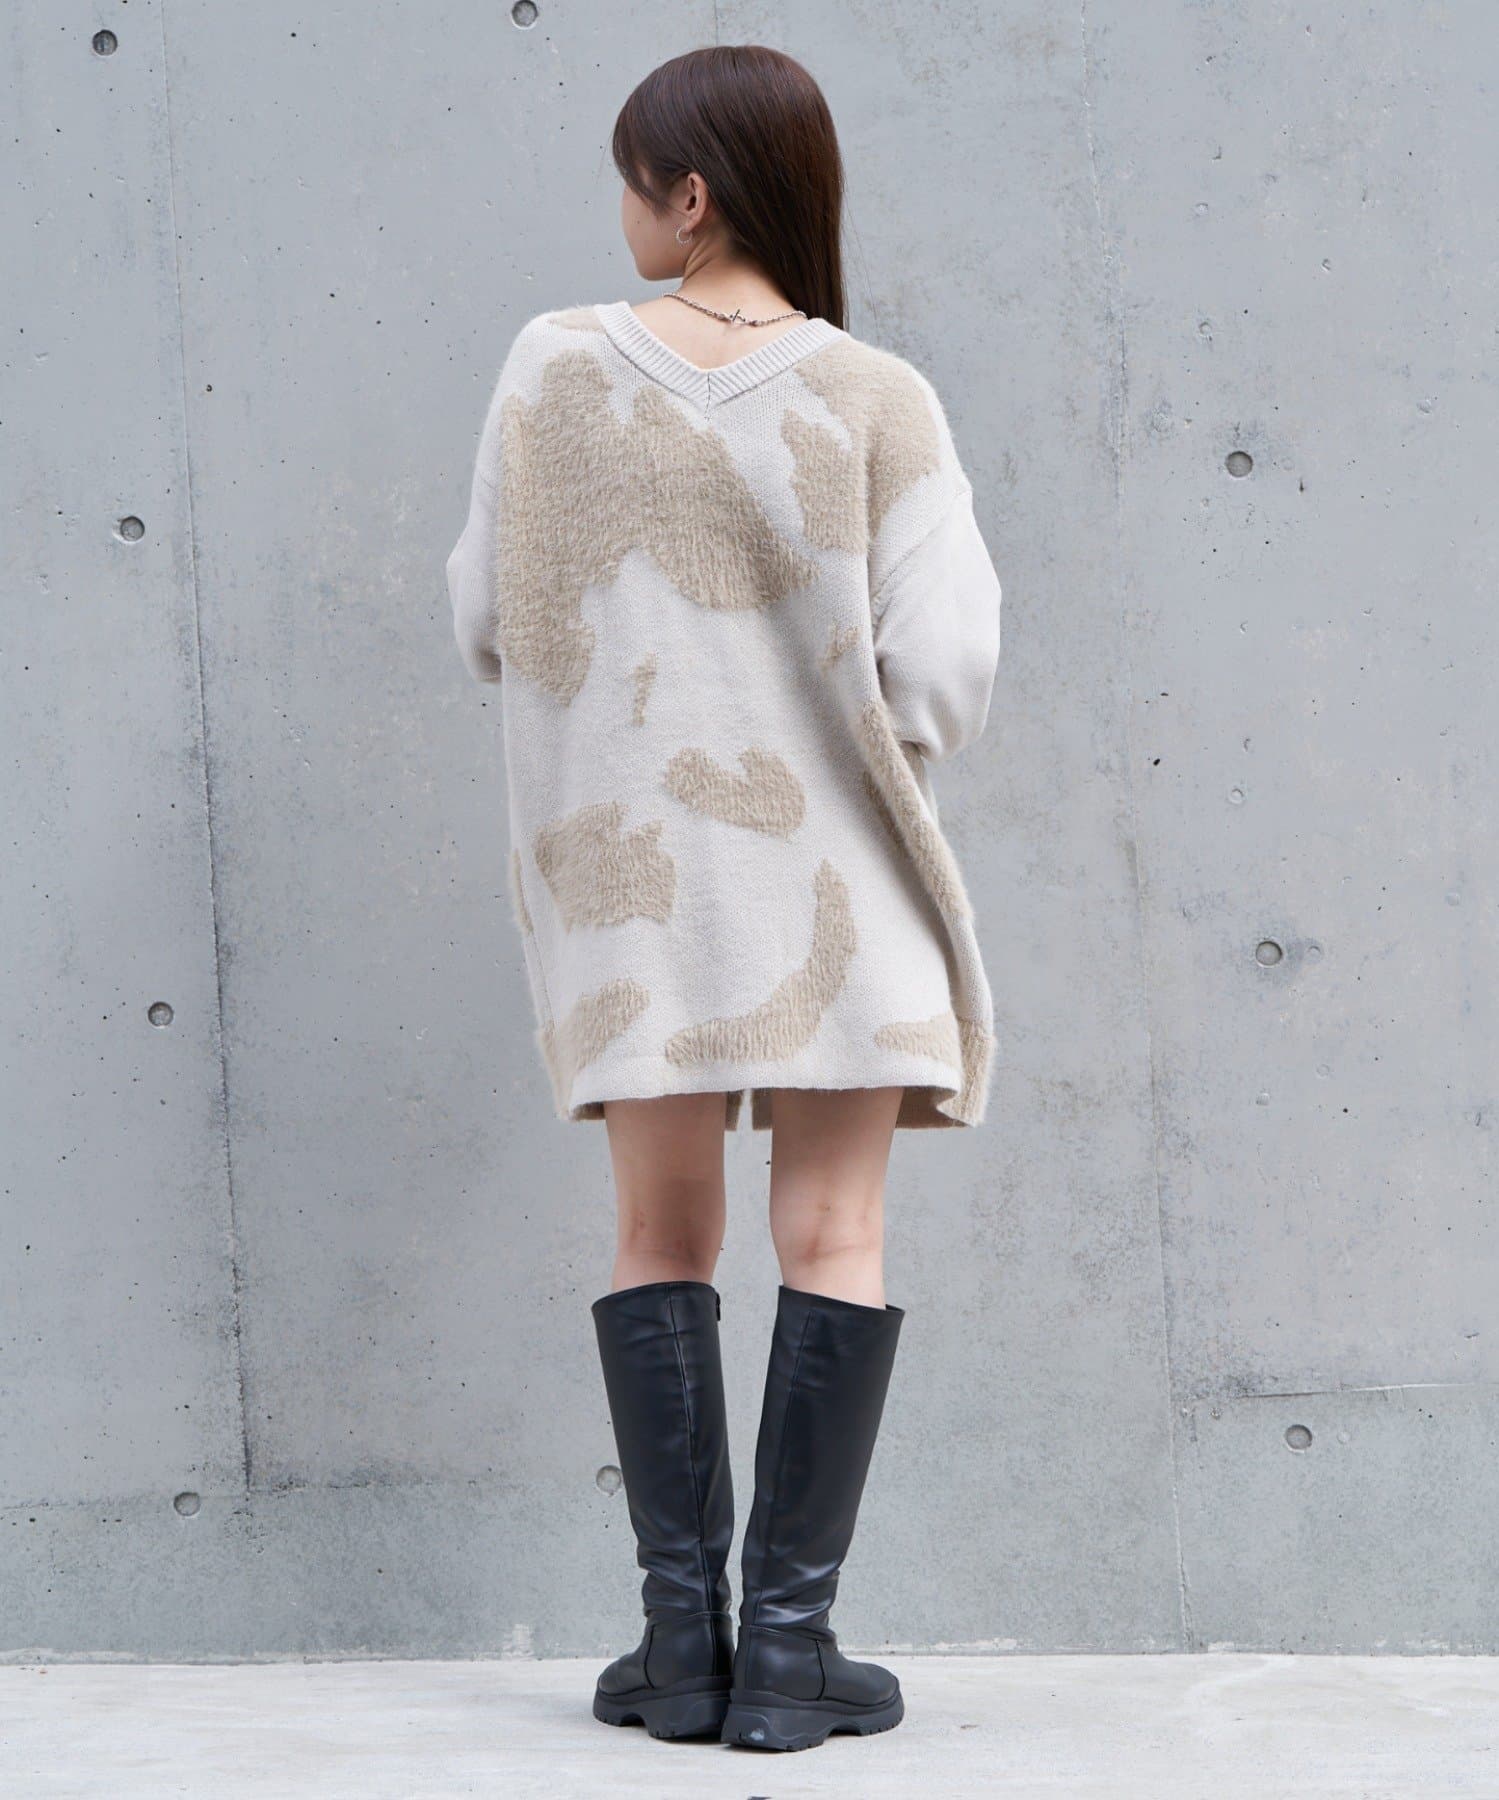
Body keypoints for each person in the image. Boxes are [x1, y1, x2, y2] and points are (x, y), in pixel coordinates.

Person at [444, 43, 1002, 1755]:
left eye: (633, 178)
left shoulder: (550, 371)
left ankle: (678, 1652)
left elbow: (488, 620)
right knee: (833, 1241)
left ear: (691, 194)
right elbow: (944, 669)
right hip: (837, 891)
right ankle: (787, 1660)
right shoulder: (879, 395)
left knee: (657, 1240)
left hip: (638, 903)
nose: (620, 207)